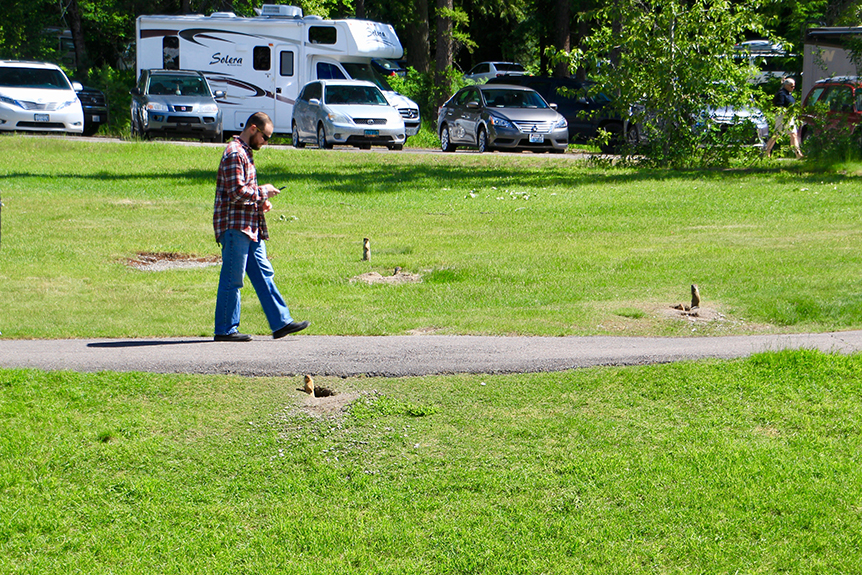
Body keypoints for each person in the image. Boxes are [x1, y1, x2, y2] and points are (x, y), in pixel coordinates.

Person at [213, 112, 309, 341]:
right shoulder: (234, 153)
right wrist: (264, 191)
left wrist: (261, 201)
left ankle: (281, 323)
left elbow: (245, 190)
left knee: (264, 273)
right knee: (232, 278)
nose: (266, 143)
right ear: (253, 128)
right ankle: (225, 330)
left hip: (250, 225)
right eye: (265, 137)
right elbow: (236, 192)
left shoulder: (245, 153)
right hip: (235, 226)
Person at [765, 78, 803, 159]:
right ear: (786, 85)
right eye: (791, 86)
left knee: (794, 134)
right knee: (776, 135)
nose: (793, 88)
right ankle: (766, 152)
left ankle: (798, 154)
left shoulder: (789, 94)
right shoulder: (781, 94)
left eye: (794, 87)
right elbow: (779, 106)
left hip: (790, 117)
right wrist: (786, 112)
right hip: (782, 117)